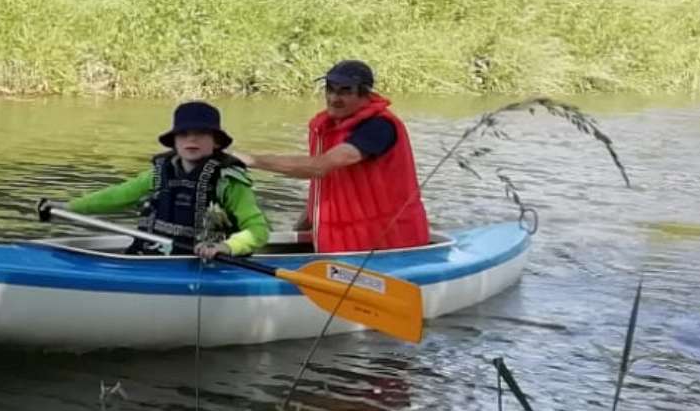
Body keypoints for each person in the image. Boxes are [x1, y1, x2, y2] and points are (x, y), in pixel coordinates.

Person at [240, 59, 431, 254]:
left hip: (388, 246)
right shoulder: (328, 127)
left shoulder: (379, 127)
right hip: (342, 244)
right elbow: (323, 188)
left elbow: (319, 167)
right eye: (330, 89)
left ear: (365, 94)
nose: (333, 98)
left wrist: (251, 160)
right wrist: (297, 232)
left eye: (345, 91)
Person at [39, 100, 270, 261]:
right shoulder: (159, 173)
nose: (191, 139)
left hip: (206, 265)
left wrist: (226, 247)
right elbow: (116, 196)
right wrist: (68, 207)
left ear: (216, 142)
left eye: (201, 133)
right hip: (153, 258)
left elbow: (258, 230)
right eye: (183, 134)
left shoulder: (229, 181)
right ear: (174, 142)